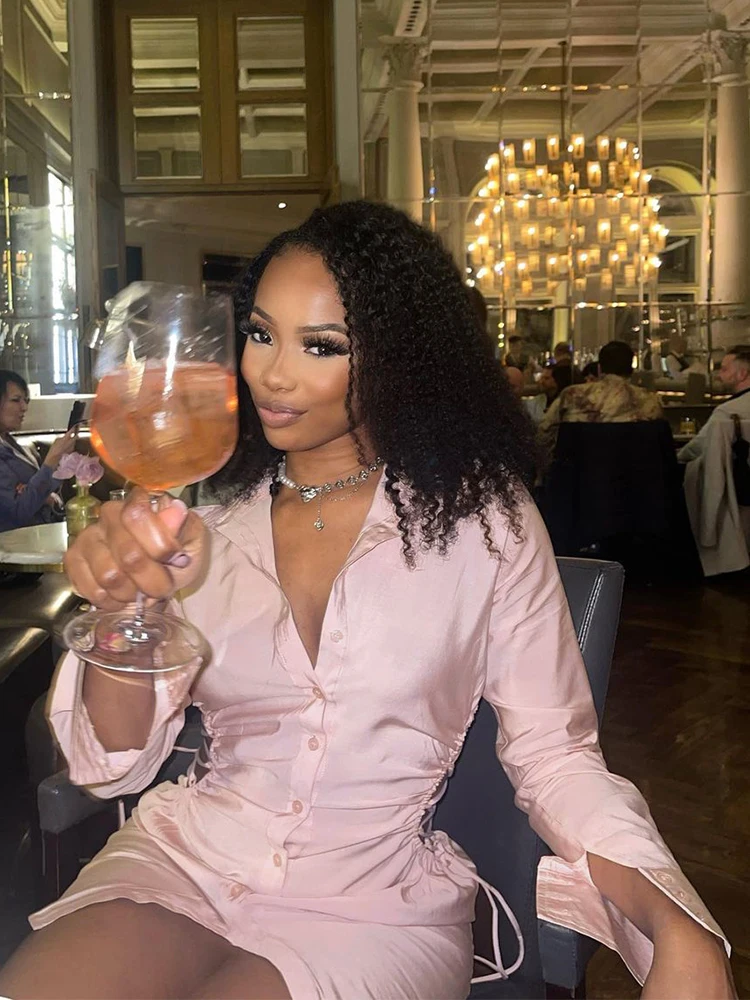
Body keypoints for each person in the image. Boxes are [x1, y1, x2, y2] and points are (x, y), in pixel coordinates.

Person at [0, 202, 733, 1000]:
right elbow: (112, 763)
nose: (272, 374)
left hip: (373, 906)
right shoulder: (204, 521)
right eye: (260, 333)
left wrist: (673, 920)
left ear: (401, 359)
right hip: (184, 861)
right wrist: (122, 612)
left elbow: (555, 757)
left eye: (321, 346)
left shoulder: (484, 523)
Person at [538, 339, 663, 456]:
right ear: (631, 370)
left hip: (579, 469)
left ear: (599, 368)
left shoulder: (572, 395)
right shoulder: (649, 401)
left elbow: (544, 433)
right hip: (633, 470)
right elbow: (659, 446)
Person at [0, 369, 76, 532]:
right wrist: (50, 462)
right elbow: (18, 511)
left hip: (40, 531)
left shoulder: (10, 443)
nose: (24, 407)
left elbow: (41, 490)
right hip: (14, 541)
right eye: (16, 400)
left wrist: (61, 460)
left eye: (26, 400)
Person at [678, 344, 750, 464]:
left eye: (724, 369)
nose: (719, 375)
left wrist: (676, 456)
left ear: (742, 374)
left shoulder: (727, 411)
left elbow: (698, 447)